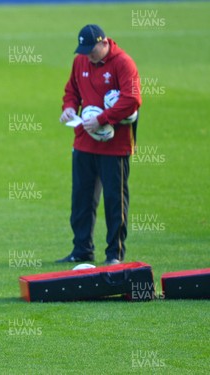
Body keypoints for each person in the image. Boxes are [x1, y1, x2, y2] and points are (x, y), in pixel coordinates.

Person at [57, 25, 141, 265]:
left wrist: (102, 119)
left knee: (115, 201)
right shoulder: (81, 62)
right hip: (83, 142)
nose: (87, 55)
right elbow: (71, 90)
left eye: (91, 49)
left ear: (104, 43)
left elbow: (132, 99)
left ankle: (115, 254)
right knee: (81, 200)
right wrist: (69, 108)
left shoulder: (123, 63)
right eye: (83, 50)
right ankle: (81, 250)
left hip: (115, 147)